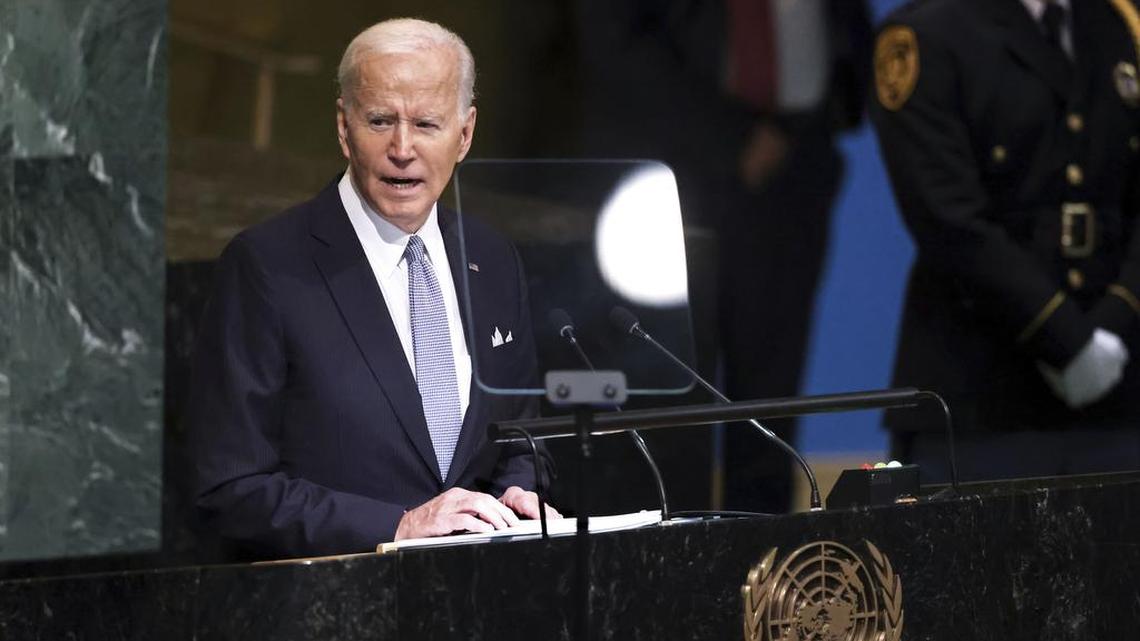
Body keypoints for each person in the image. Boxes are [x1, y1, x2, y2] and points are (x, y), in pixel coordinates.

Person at [186, 18, 556, 559]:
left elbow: (522, 437)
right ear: (343, 127)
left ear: (465, 134)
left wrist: (518, 492)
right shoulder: (267, 266)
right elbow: (229, 486)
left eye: (426, 124)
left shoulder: (493, 258)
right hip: (338, 596)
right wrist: (398, 525)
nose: (401, 148)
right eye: (380, 121)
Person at [573, 0, 872, 513]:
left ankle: (764, 559)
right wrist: (732, 139)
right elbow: (613, 35)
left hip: (796, 170)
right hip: (666, 172)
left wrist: (815, 117)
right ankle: (667, 555)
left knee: (770, 402)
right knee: (665, 397)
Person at [870, 0, 1140, 481]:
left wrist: (1116, 321)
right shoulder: (926, 33)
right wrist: (1067, 340)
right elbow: (948, 219)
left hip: (1122, 392)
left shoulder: (1122, 24)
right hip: (982, 397)